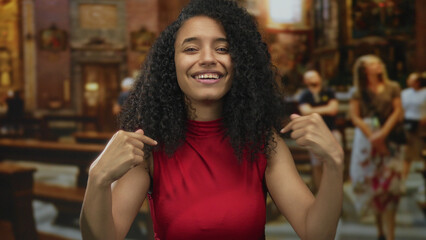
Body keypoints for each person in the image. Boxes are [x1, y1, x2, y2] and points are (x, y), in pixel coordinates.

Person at [80, 1, 344, 239]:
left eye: (222, 48)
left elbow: (315, 233)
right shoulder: (149, 144)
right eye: (191, 48)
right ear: (171, 63)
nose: (208, 59)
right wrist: (97, 178)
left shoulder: (262, 142)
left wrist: (334, 164)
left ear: (240, 62)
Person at [349, 54, 404, 240]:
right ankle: (380, 230)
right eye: (373, 63)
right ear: (364, 69)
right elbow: (355, 116)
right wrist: (372, 135)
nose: (378, 64)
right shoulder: (358, 91)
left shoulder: (392, 87)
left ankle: (391, 235)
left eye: (379, 62)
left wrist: (383, 133)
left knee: (391, 189)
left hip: (391, 139)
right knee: (373, 189)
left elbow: (397, 110)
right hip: (367, 141)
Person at [298, 70, 341, 193]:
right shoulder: (304, 95)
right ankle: (320, 192)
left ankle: (334, 191)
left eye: (315, 76)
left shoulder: (328, 92)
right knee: (316, 164)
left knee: (333, 162)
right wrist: (325, 109)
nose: (314, 79)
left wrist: (313, 110)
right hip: (313, 133)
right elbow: (305, 112)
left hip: (331, 131)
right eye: (310, 77)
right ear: (305, 81)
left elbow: (333, 109)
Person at [401, 72, 426, 181]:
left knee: (423, 153)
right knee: (408, 154)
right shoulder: (405, 93)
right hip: (409, 124)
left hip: (422, 125)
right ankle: (402, 180)